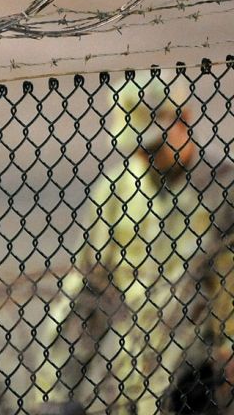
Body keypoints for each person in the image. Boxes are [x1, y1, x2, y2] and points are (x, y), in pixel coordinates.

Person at [34, 68, 234, 415]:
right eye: (136, 146)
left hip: (206, 380)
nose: (144, 156)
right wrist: (57, 391)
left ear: (184, 120)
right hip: (136, 378)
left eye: (154, 145)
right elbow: (86, 293)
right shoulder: (116, 192)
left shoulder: (223, 188)